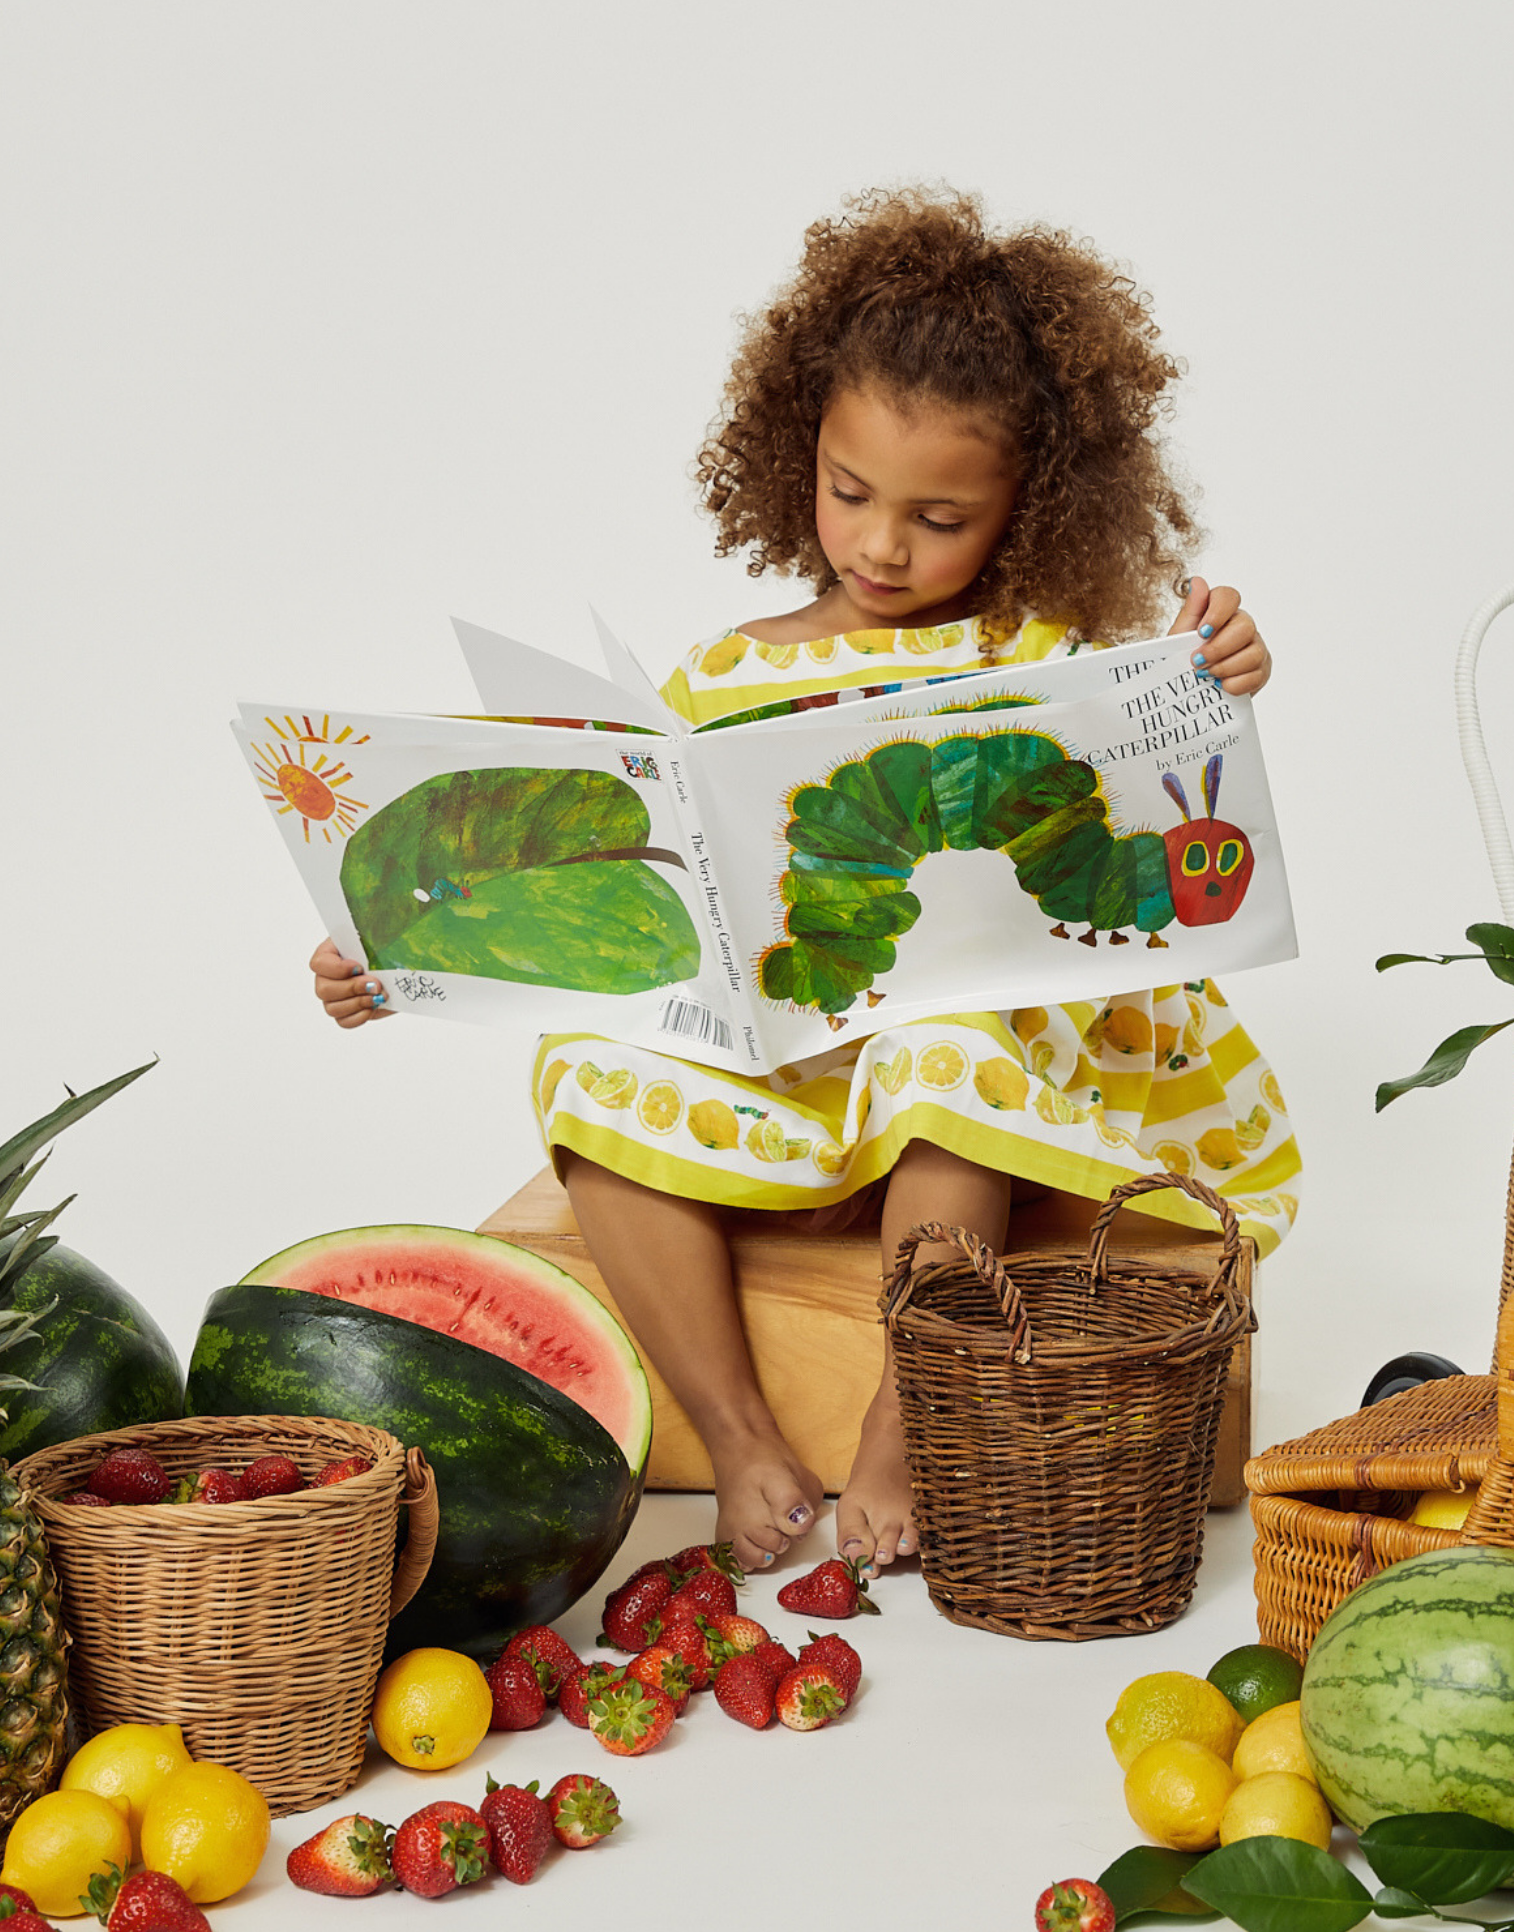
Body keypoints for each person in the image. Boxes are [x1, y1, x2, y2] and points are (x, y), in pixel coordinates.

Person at [309, 188, 1298, 1581]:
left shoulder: (1045, 654)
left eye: (938, 516)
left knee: (944, 1057)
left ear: (1032, 508)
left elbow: (1153, 795)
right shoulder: (724, 674)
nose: (882, 547)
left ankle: (906, 1424)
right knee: (584, 1069)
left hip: (965, 1079)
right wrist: (392, 963)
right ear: (798, 455)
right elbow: (612, 896)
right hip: (780, 1067)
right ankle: (743, 1434)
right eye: (850, 494)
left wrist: (1222, 671)